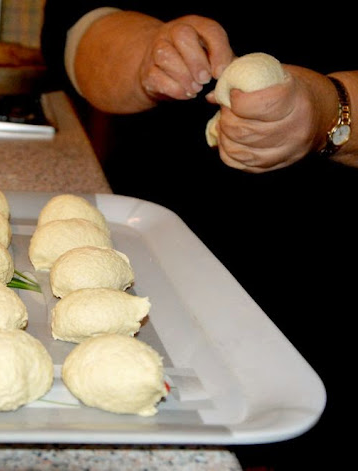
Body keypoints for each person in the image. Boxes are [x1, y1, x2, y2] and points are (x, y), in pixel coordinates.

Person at [41, 2, 358, 470]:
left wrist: (333, 110)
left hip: (318, 276)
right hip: (142, 246)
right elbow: (78, 21)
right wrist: (147, 53)